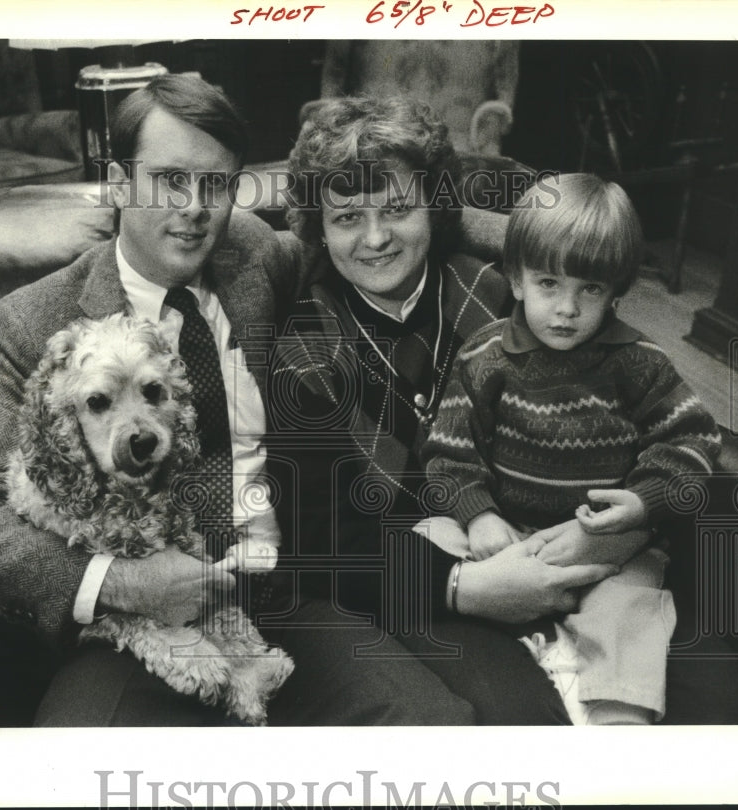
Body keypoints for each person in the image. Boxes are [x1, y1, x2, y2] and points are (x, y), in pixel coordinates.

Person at [0, 73, 506, 726]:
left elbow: (380, 224)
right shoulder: (34, 320)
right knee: (83, 753)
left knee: (430, 727)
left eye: (216, 185)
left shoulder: (254, 257)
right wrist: (117, 581)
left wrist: (564, 239)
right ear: (118, 182)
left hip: (285, 600)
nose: (195, 207)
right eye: (170, 179)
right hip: (137, 620)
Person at [263, 97, 623, 725]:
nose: (375, 238)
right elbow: (317, 545)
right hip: (419, 591)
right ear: (318, 229)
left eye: (398, 208)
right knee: (525, 727)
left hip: (557, 544)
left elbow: (608, 421)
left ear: (433, 203)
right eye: (348, 217)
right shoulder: (302, 352)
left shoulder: (507, 296)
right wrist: (464, 586)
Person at [421, 173, 721, 724]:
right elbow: (446, 454)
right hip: (507, 535)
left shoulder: (638, 362)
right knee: (428, 539)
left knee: (632, 614)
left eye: (590, 290)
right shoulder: (484, 356)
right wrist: (479, 515)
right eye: (549, 284)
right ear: (515, 280)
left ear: (615, 292)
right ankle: (521, 666)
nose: (567, 309)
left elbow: (692, 437)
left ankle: (617, 719)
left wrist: (644, 502)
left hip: (609, 545)